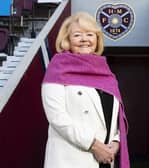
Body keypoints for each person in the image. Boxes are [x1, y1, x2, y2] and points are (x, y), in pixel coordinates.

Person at [41, 12, 130, 168]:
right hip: (71, 160)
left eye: (90, 34)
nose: (84, 40)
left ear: (97, 39)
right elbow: (57, 117)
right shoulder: (57, 68)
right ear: (67, 40)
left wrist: (116, 141)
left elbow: (115, 117)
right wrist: (94, 145)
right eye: (77, 35)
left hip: (105, 160)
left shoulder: (106, 73)